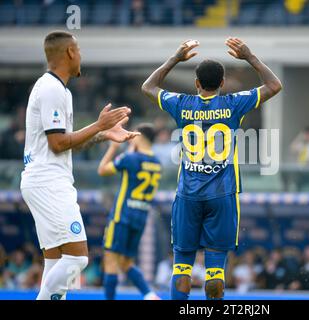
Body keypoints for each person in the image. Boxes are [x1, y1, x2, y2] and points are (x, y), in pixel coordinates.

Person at [141, 37, 282, 300]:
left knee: (181, 268)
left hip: (188, 196)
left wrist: (175, 58)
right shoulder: (233, 104)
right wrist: (250, 57)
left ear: (196, 84)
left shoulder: (180, 103)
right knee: (215, 271)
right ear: (222, 83)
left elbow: (148, 86)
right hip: (222, 196)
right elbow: (275, 85)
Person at [20, 30, 138, 300]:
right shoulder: (51, 89)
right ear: (70, 53)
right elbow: (58, 144)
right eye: (79, 50)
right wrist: (99, 124)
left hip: (43, 181)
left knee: (55, 261)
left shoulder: (57, 89)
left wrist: (102, 134)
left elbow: (66, 142)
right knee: (77, 260)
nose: (81, 55)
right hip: (48, 182)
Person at [98, 123, 162, 300]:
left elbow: (102, 170)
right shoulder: (157, 163)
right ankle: (149, 295)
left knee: (111, 260)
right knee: (126, 262)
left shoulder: (130, 158)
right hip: (140, 217)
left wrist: (113, 147)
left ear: (139, 137)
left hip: (121, 216)